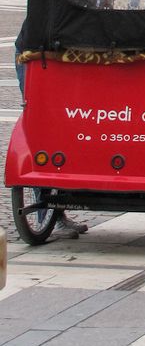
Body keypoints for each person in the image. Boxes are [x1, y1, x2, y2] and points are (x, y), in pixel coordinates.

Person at [14, 22, 88, 238]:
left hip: (66, 50)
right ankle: (48, 215)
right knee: (43, 122)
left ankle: (57, 210)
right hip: (39, 53)